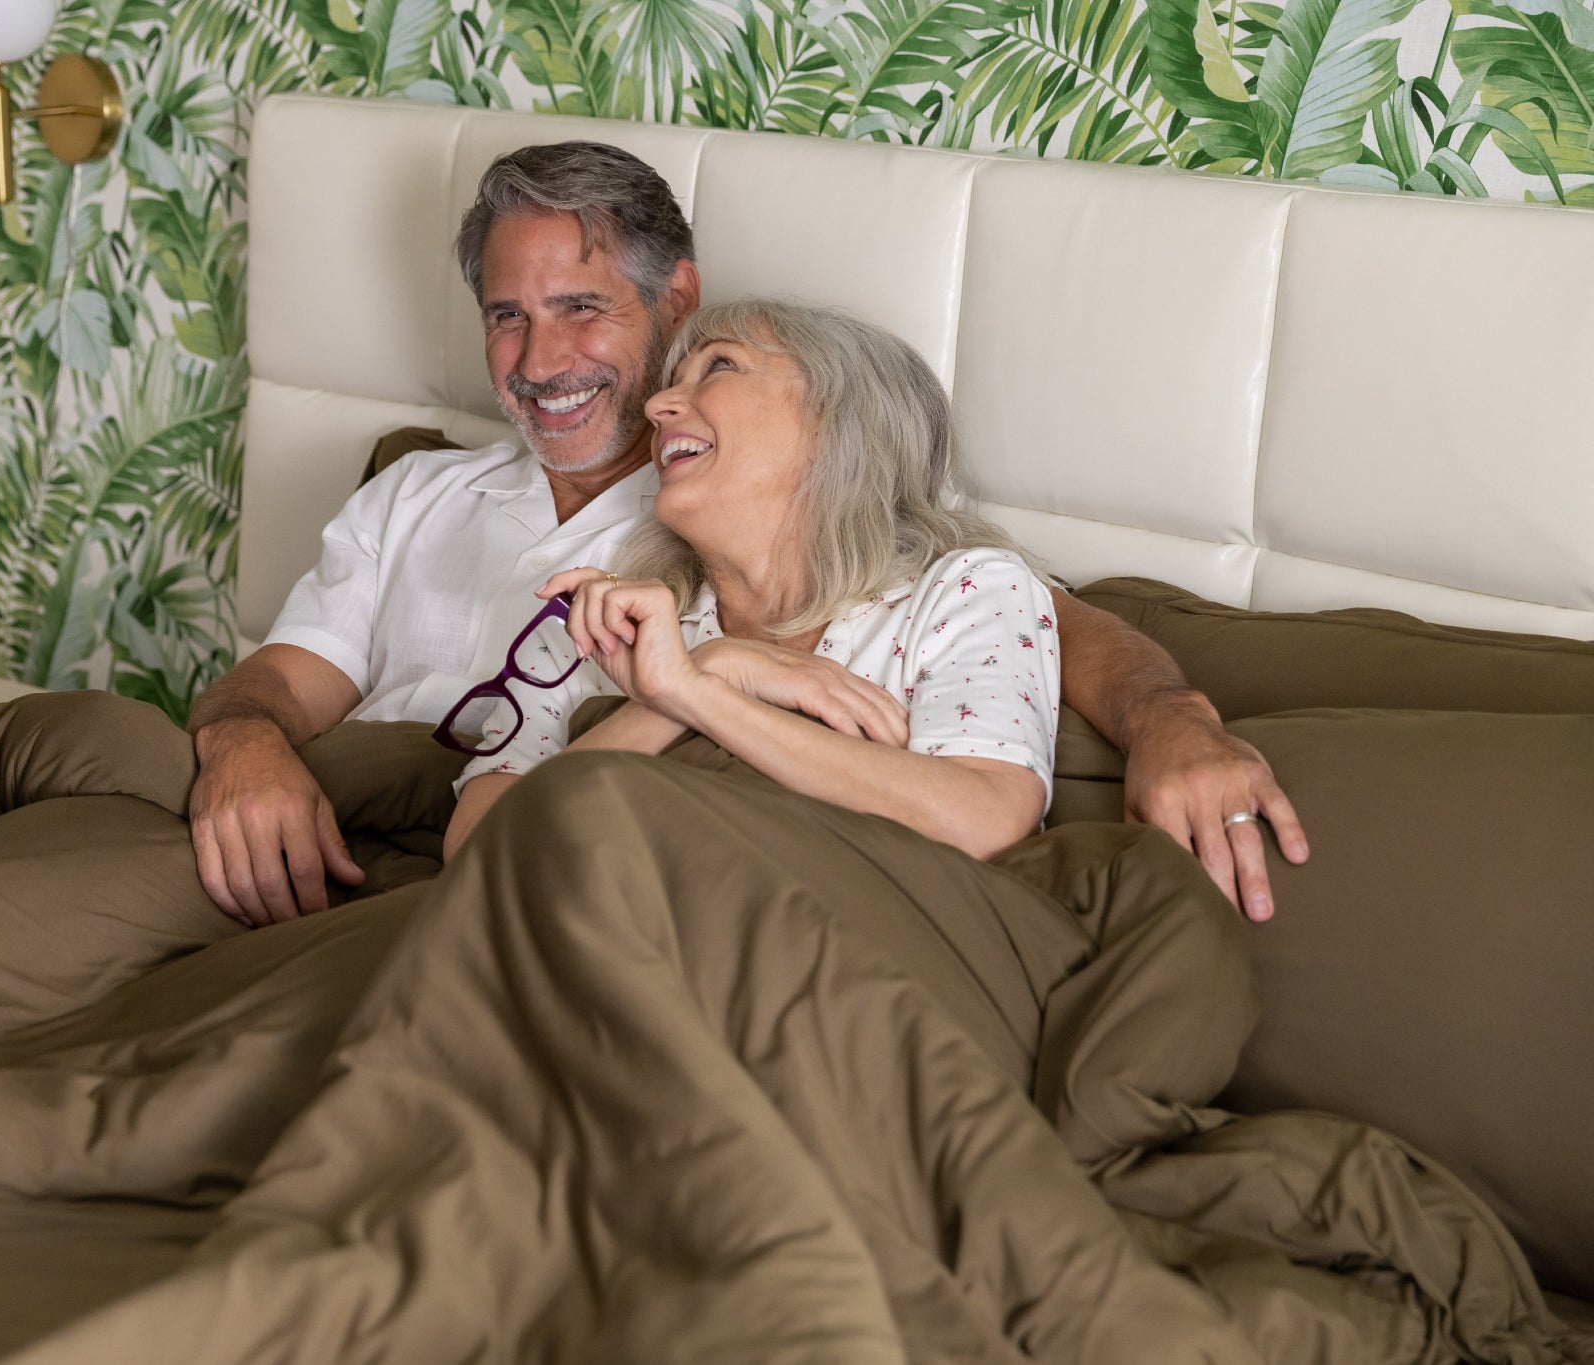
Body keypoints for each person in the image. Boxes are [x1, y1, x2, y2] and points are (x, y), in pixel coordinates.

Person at [185, 141, 1307, 927]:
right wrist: (240, 747)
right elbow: (322, 721)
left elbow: (1036, 635)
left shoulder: (790, 549)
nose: (535, 363)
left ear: (674, 301)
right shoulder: (529, 536)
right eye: (506, 317)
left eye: (580, 308)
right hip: (376, 833)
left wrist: (1172, 719)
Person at [443, 299, 1055, 859]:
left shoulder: (965, 591)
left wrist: (698, 689)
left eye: (720, 367)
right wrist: (696, 682)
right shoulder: (598, 622)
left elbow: (987, 819)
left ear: (838, 420)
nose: (657, 408)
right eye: (669, 385)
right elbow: (473, 856)